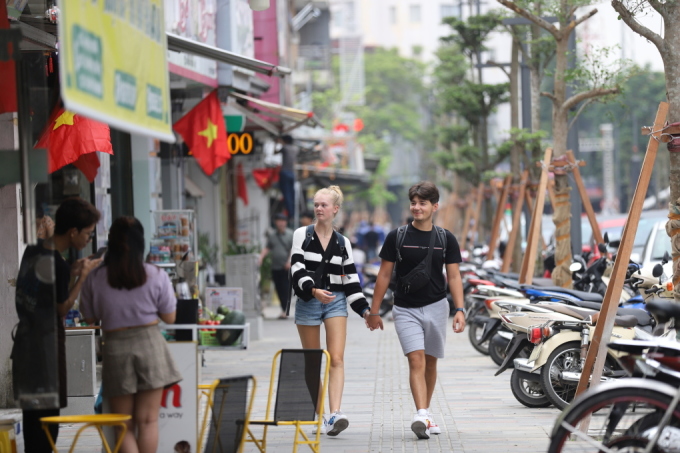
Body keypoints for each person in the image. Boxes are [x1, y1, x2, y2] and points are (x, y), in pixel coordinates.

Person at [366, 181, 466, 440]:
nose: (417, 207)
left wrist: (460, 309)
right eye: (414, 202)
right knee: (416, 360)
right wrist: (374, 311)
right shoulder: (397, 237)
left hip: (436, 306)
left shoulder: (446, 238)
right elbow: (385, 274)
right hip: (405, 308)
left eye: (422, 203)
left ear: (435, 206)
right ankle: (420, 413)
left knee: (430, 363)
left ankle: (427, 413)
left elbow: (454, 277)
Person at [80, 217, 182, 453]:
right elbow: (170, 318)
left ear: (111, 243)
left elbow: (89, 318)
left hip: (115, 347)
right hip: (150, 345)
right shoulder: (155, 274)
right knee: (148, 422)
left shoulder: (95, 278)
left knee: (122, 425)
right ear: (141, 244)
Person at [12, 197, 102, 453]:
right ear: (73, 231)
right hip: (45, 348)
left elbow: (45, 281)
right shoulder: (58, 266)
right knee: (48, 423)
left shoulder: (34, 250)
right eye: (87, 233)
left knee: (32, 419)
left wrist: (70, 270)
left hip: (25, 344)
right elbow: (62, 307)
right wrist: (82, 277)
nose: (88, 239)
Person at [290, 185, 370, 436]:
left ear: (335, 209)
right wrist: (313, 291)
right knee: (313, 361)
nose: (318, 209)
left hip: (335, 300)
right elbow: (296, 269)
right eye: (316, 205)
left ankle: (335, 414)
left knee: (336, 358)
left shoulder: (342, 242)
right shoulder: (302, 234)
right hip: (308, 301)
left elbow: (351, 281)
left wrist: (366, 312)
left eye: (324, 205)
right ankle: (319, 414)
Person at [259, 212, 294, 319]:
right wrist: (261, 257)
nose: (281, 223)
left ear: (286, 223)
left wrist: (289, 262)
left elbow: (294, 249)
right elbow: (267, 247)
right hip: (275, 267)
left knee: (286, 288)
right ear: (276, 222)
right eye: (279, 221)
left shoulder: (290, 234)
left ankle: (285, 310)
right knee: (278, 289)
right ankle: (284, 309)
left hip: (286, 267)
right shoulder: (272, 235)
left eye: (283, 221)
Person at [276, 134, 299, 220]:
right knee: (291, 194)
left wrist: (277, 143)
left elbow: (275, 152)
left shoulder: (285, 148)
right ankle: (292, 212)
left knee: (286, 193)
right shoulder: (295, 149)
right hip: (292, 174)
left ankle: (290, 214)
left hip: (284, 172)